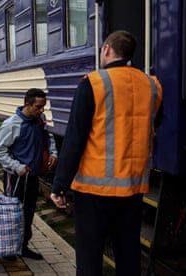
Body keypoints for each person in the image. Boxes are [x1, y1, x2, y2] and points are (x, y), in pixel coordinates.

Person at [50, 30, 163, 276]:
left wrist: (59, 185)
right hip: (132, 187)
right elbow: (155, 121)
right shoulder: (152, 85)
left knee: (90, 257)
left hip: (94, 190)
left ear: (107, 50)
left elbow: (75, 140)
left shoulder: (93, 83)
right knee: (128, 253)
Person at [0, 88, 58, 260]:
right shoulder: (11, 124)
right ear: (27, 105)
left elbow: (48, 137)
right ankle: (8, 248)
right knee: (12, 213)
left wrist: (53, 153)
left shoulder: (40, 120)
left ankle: (23, 247)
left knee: (28, 213)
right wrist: (16, 166)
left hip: (33, 176)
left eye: (44, 106)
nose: (42, 110)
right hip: (15, 178)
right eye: (38, 106)